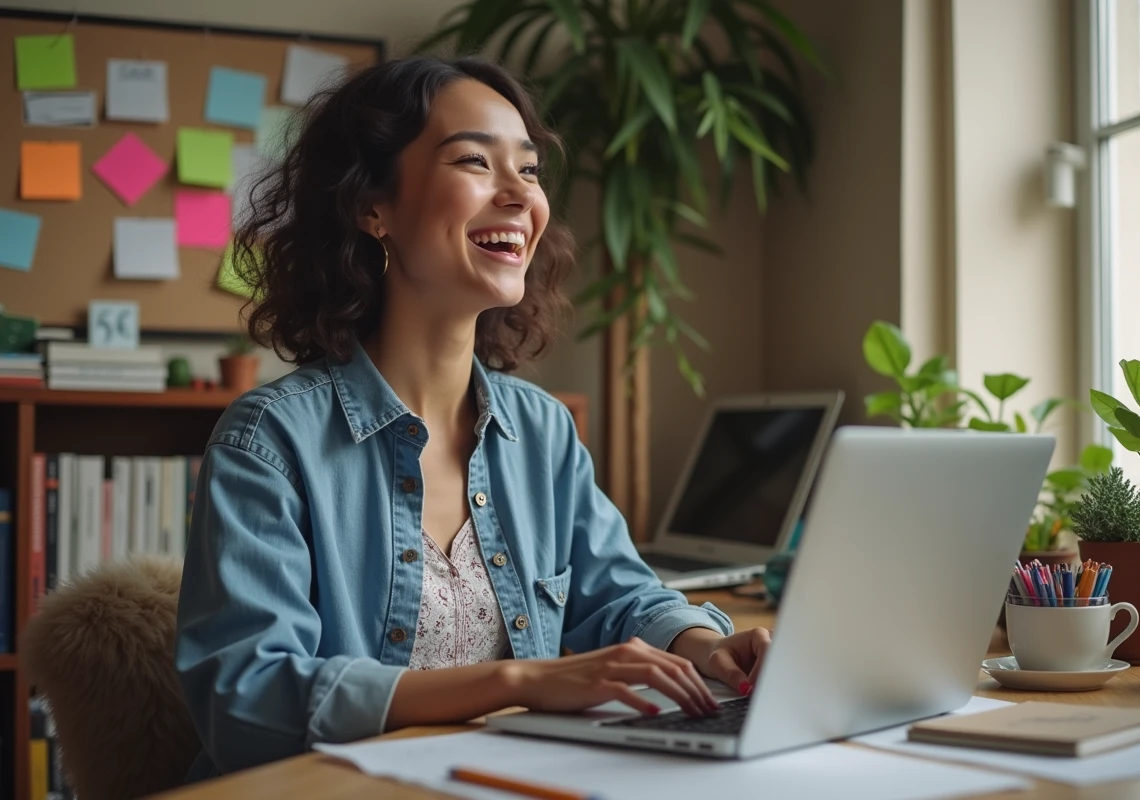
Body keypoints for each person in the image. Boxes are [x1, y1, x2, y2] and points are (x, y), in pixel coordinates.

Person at [174, 55, 772, 780]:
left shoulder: (542, 431)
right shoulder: (270, 441)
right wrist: (516, 682)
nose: (520, 195)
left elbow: (620, 596)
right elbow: (245, 701)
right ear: (373, 207)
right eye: (475, 162)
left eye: (529, 169)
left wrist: (706, 647)